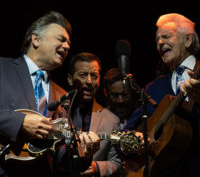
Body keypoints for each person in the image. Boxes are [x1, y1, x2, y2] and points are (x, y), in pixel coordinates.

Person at [0, 11, 100, 177]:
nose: (67, 46)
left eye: (68, 42)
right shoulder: (3, 68)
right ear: (36, 39)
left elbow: (60, 158)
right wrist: (20, 122)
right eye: (61, 39)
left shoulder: (62, 95)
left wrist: (85, 153)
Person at [123, 13, 200, 177]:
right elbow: (127, 132)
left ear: (187, 40)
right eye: (157, 39)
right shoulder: (152, 88)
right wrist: (133, 141)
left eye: (166, 36)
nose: (159, 43)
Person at [66, 52, 124, 177]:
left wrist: (96, 168)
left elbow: (117, 163)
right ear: (70, 79)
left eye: (94, 75)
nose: (89, 81)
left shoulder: (111, 120)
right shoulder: (57, 110)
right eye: (83, 75)